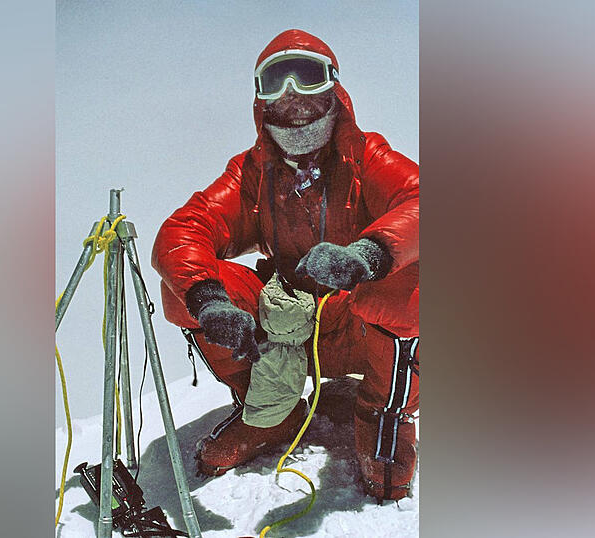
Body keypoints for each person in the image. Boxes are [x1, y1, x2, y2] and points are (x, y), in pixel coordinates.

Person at [151, 29, 419, 500]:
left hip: (357, 326)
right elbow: (185, 229)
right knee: (187, 287)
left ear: (333, 86)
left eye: (308, 76)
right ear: (260, 99)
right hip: (285, 324)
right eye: (276, 79)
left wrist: (367, 254)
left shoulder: (366, 156)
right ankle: (270, 413)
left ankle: (384, 416)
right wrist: (209, 301)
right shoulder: (252, 171)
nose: (292, 94)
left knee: (416, 279)